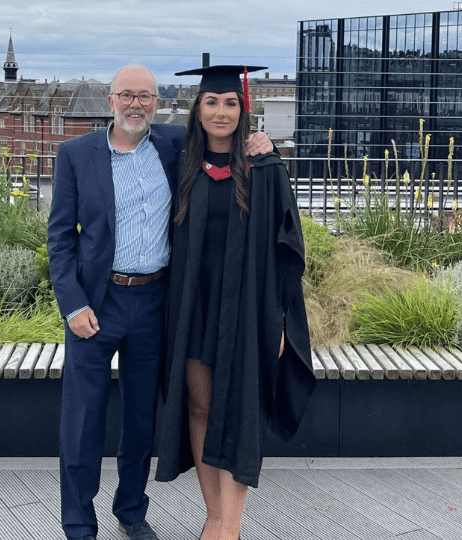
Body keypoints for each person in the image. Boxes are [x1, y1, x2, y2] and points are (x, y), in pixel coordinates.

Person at [47, 64, 272, 540]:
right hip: (95, 304)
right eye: (126, 95)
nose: (136, 104)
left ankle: (131, 510)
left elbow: (223, 140)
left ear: (158, 103)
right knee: (81, 419)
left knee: (142, 418)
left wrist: (261, 143)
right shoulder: (76, 155)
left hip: (155, 302)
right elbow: (60, 238)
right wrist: (72, 303)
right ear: (111, 100)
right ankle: (78, 523)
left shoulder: (173, 145)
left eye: (145, 96)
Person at [153, 65, 316, 540]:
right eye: (211, 102)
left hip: (248, 310)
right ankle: (214, 516)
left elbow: (289, 249)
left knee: (239, 410)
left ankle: (230, 526)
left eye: (230, 103)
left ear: (243, 110)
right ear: (197, 109)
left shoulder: (265, 170)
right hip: (192, 307)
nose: (221, 112)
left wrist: (282, 319)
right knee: (200, 408)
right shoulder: (181, 163)